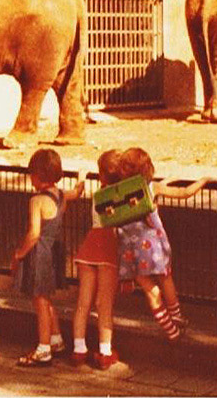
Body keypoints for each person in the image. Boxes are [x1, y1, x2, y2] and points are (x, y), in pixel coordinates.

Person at [115, 147, 212, 341]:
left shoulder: (117, 192)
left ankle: (170, 329)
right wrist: (203, 181)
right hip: (154, 245)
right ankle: (176, 314)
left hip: (131, 249)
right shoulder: (152, 188)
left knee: (150, 288)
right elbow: (184, 192)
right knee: (165, 278)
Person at [12, 149, 85, 366]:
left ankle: (43, 349)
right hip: (53, 251)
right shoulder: (60, 195)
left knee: (40, 301)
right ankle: (56, 339)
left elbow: (34, 233)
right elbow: (77, 192)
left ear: (38, 175)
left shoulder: (37, 200)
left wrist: (19, 254)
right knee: (47, 298)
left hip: (39, 253)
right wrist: (82, 176)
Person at [71, 150, 121, 369]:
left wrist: (81, 177)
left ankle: (79, 348)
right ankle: (105, 351)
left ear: (101, 175)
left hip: (90, 244)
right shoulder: (121, 195)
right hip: (108, 246)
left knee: (83, 302)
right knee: (105, 304)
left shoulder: (98, 194)